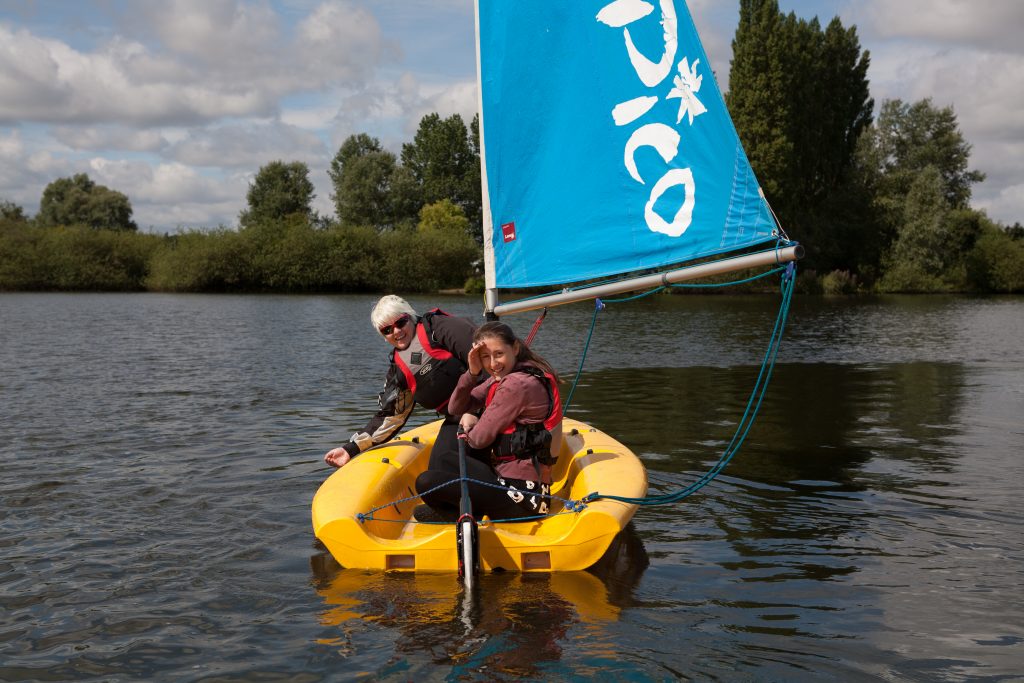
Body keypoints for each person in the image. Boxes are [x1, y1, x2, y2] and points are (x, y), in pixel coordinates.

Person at [414, 321, 563, 521]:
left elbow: (478, 440)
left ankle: (457, 511)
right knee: (447, 448)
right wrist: (472, 373)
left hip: (523, 498)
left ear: (515, 348)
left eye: (499, 354)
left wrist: (472, 420)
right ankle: (461, 508)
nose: (493, 364)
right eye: (485, 357)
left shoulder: (517, 384)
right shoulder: (507, 374)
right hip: (504, 477)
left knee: (426, 481)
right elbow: (455, 408)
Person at [323, 295, 478, 469]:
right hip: (458, 419)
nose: (396, 331)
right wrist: (350, 449)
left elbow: (491, 361)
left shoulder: (441, 328)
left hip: (492, 405)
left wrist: (475, 410)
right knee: (431, 481)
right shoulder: (399, 371)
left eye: (401, 323)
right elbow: (391, 417)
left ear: (410, 316)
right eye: (387, 330)